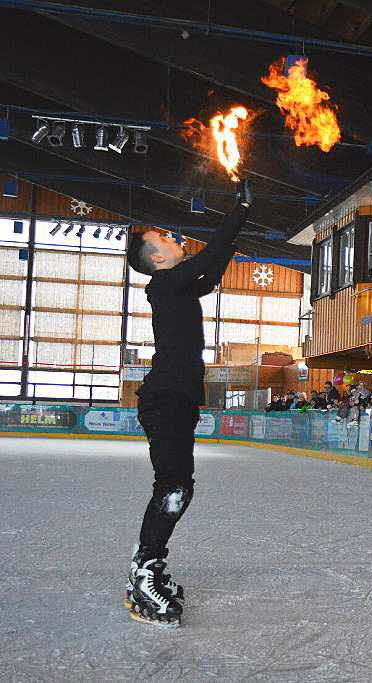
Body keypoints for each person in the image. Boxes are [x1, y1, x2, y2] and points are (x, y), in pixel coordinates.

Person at [124, 179, 253, 628]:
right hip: (165, 399)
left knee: (181, 486)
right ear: (157, 259)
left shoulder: (177, 288)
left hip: (176, 400)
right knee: (173, 486)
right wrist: (236, 213)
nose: (176, 240)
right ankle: (144, 570)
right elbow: (206, 260)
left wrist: (239, 229)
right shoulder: (162, 286)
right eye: (166, 239)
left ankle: (150, 563)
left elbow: (211, 272)